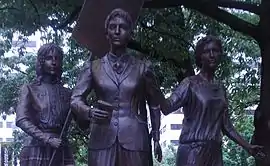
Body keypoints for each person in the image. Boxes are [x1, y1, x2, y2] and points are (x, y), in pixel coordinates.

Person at [71, 8, 162, 166]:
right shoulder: (93, 67)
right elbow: (75, 99)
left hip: (136, 139)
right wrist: (90, 112)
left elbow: (154, 104)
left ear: (130, 34)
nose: (117, 31)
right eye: (113, 27)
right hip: (102, 138)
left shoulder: (143, 68)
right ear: (107, 34)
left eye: (123, 27)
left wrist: (156, 137)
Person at [159, 35, 264, 166]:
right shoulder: (190, 84)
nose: (212, 55)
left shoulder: (220, 88)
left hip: (214, 152)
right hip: (193, 151)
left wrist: (247, 146)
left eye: (215, 50)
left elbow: (226, 126)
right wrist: (153, 87)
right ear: (200, 57)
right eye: (207, 51)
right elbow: (167, 107)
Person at [16, 43, 75, 166]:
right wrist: (47, 139)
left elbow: (81, 121)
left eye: (57, 58)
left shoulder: (68, 93)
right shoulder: (29, 89)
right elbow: (21, 119)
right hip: (36, 147)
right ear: (41, 61)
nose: (54, 62)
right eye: (49, 58)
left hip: (60, 147)